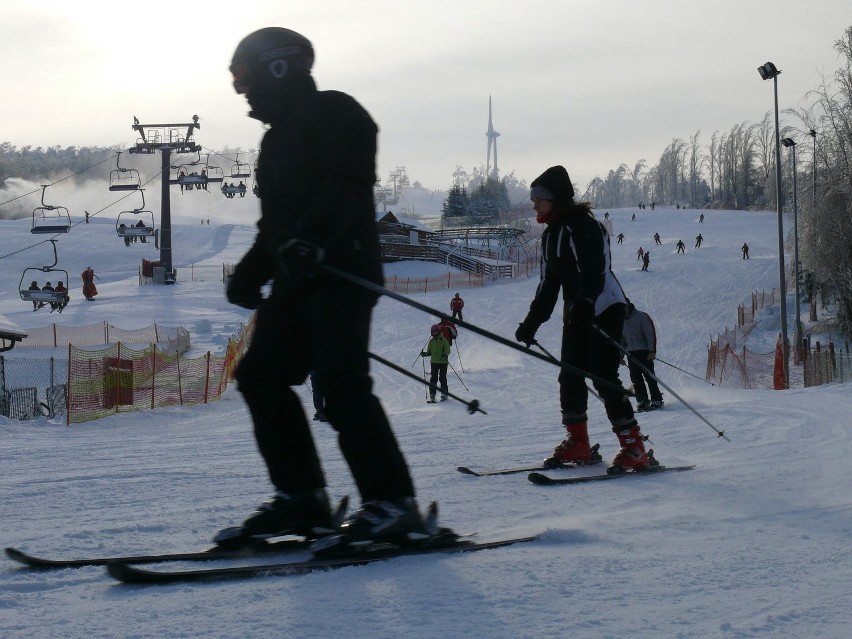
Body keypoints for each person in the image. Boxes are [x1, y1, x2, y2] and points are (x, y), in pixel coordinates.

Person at [224, 26, 429, 550]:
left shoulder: (337, 112)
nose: (239, 88)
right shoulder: (275, 139)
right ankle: (304, 498)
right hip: (298, 279)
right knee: (260, 375)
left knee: (340, 384)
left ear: (278, 67)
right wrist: (253, 270)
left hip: (342, 272)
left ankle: (393, 504)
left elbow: (348, 182)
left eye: (243, 75)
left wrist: (314, 240)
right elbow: (276, 225)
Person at [515, 165, 653, 472]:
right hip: (577, 310)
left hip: (604, 306)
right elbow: (548, 285)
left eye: (539, 198)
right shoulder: (552, 235)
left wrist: (586, 302)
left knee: (603, 376)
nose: (534, 204)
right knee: (570, 374)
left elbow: (596, 270)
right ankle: (578, 442)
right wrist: (531, 323)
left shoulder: (585, 227)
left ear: (556, 198)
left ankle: (634, 446)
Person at [622, 301, 664, 412]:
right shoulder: (621, 320)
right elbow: (621, 340)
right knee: (635, 378)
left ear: (629, 307)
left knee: (649, 376)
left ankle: (657, 399)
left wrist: (652, 351)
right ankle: (642, 401)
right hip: (630, 353)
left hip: (644, 352)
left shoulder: (641, 317)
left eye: (624, 307)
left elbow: (650, 334)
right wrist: (620, 355)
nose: (623, 310)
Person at [421, 325, 450, 402]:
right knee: (433, 378)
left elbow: (447, 349)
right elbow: (429, 352)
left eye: (435, 331)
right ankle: (432, 395)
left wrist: (445, 354)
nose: (434, 333)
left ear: (439, 331)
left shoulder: (443, 340)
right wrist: (425, 354)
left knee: (442, 378)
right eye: (432, 332)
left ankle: (444, 394)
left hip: (443, 362)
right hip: (434, 362)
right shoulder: (431, 341)